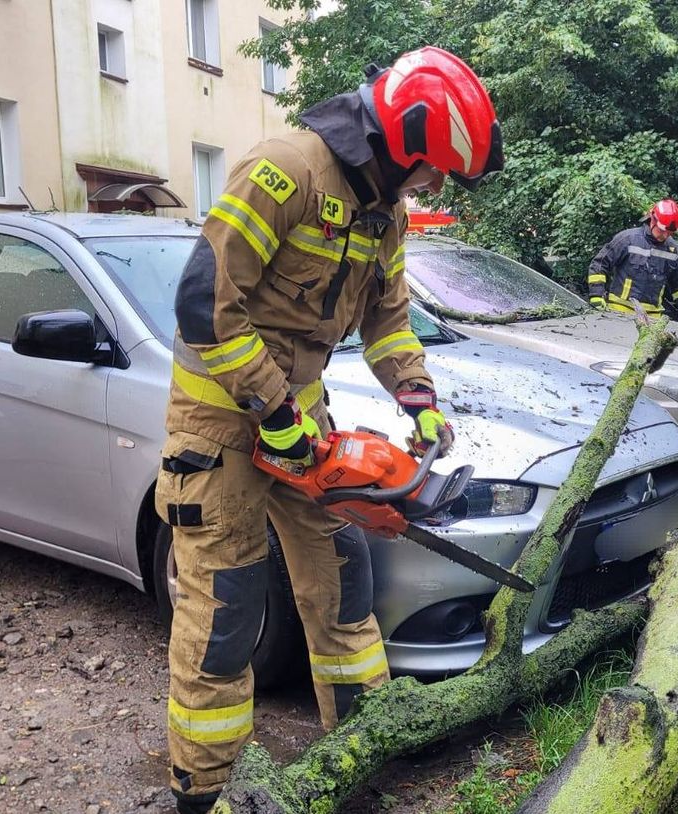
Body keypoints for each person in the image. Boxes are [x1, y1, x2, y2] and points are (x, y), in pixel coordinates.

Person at [157, 46, 503, 814]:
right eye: (435, 168)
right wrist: (274, 414)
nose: (437, 184)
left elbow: (387, 319)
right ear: (403, 142)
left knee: (344, 575)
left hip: (299, 412)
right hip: (219, 414)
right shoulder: (285, 171)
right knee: (227, 606)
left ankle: (359, 753)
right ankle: (207, 792)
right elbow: (203, 303)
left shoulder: (385, 212)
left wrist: (418, 397)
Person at [587, 198, 678, 325]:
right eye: (662, 231)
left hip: (653, 319)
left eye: (670, 233)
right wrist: (596, 295)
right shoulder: (627, 239)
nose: (665, 236)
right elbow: (599, 264)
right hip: (619, 314)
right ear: (652, 220)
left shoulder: (673, 250)